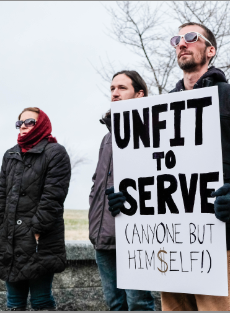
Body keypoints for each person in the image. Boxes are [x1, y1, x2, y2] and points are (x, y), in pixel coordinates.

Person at [160, 22, 230, 311]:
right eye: (177, 39)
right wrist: (128, 197)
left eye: (190, 37)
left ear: (211, 50)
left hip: (217, 234)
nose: (181, 43)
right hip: (168, 239)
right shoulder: (161, 106)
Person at [0, 107, 71, 311]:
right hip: (10, 239)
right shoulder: (10, 154)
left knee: (41, 301)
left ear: (42, 124)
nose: (23, 126)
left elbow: (53, 197)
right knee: (14, 303)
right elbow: (2, 193)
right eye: (19, 123)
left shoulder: (55, 152)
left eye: (29, 122)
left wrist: (36, 230)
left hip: (40, 240)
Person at [89, 70, 155, 311]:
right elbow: (98, 181)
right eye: (112, 89)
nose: (115, 93)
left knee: (138, 303)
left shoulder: (154, 130)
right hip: (102, 234)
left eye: (122, 88)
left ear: (139, 95)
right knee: (114, 304)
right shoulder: (107, 137)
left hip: (135, 234)